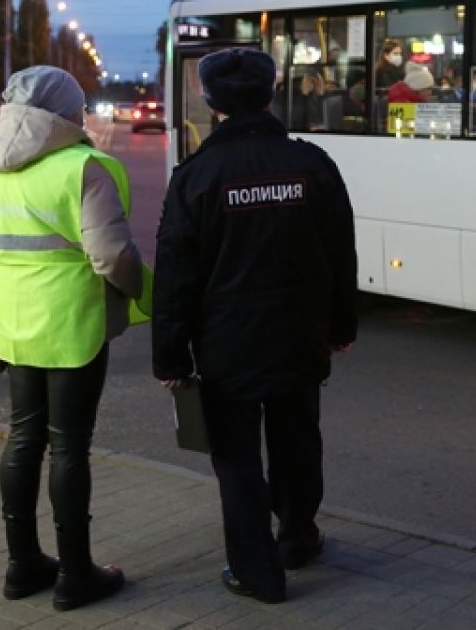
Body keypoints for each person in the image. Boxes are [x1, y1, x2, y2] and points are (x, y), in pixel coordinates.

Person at [152, 48, 357, 605]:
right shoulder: (312, 164)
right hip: (299, 336)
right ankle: (297, 537)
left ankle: (257, 571)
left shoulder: (195, 177)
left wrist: (170, 357)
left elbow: (175, 275)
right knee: (297, 441)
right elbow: (341, 253)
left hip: (226, 346)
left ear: (213, 102)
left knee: (237, 460)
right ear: (270, 94)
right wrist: (341, 325)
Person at [0, 66, 143, 611]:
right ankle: (76, 573)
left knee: (22, 438)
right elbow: (111, 255)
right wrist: (133, 293)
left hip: (7, 324)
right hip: (71, 325)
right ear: (67, 113)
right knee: (69, 445)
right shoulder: (84, 167)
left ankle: (21, 564)